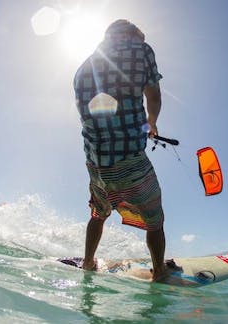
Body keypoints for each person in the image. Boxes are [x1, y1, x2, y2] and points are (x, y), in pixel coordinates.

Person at [73, 19, 169, 281]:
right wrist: (152, 123)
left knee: (98, 213)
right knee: (154, 216)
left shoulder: (85, 66)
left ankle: (89, 262)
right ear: (134, 35)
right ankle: (159, 270)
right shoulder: (142, 50)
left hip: (96, 161)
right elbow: (154, 96)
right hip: (129, 158)